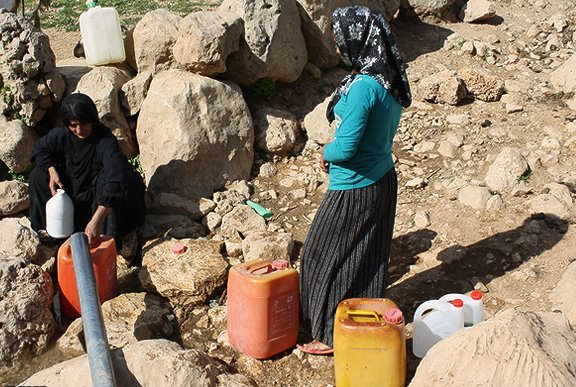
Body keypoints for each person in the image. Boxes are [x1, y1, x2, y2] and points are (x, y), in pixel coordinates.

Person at [298, 6, 412, 355]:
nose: (337, 44)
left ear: (360, 38)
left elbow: (346, 147)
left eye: (341, 37)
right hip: (382, 178)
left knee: (319, 255)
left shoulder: (363, 87)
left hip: (355, 186)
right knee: (363, 256)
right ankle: (354, 326)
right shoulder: (387, 79)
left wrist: (325, 152)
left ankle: (326, 334)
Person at [28, 93, 146, 248]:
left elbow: (116, 180)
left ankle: (105, 238)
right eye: (73, 125)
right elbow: (39, 150)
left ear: (92, 120)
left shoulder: (105, 141)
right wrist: (51, 170)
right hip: (71, 194)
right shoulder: (62, 135)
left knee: (109, 182)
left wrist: (96, 221)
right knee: (38, 175)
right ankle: (52, 231)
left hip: (97, 201)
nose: (79, 130)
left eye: (84, 124)